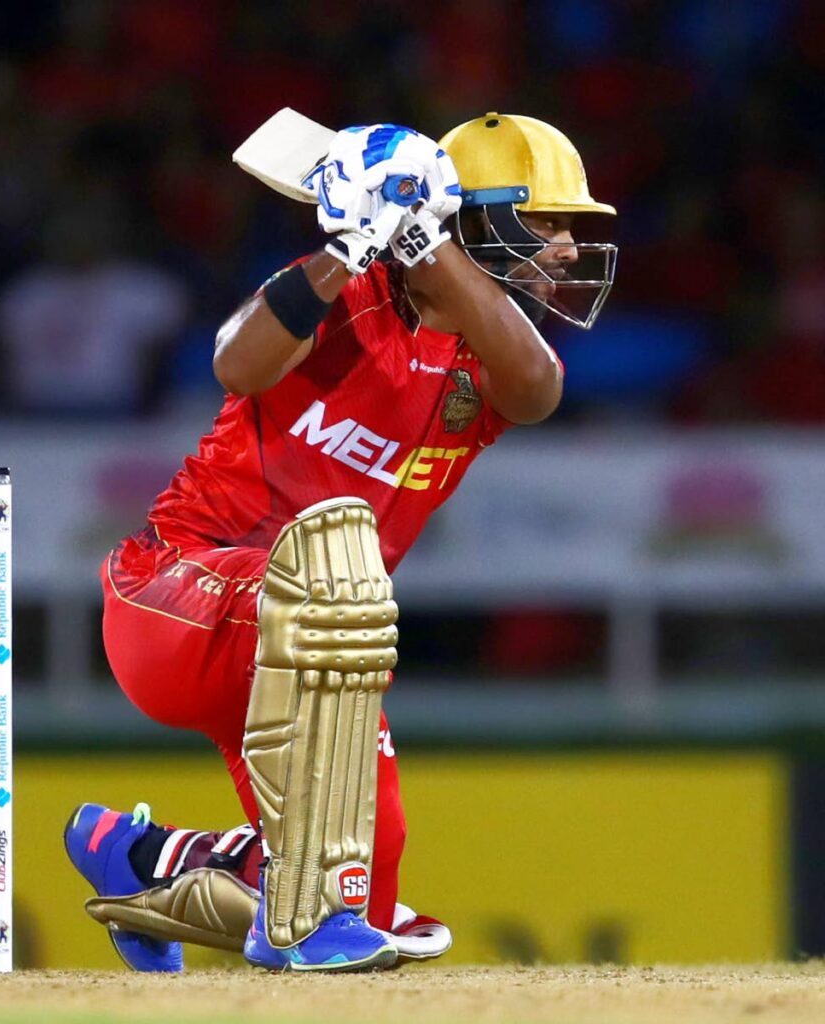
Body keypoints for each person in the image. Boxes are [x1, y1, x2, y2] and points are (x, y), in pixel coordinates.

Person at [63, 113, 617, 973]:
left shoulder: (496, 355)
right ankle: (297, 918)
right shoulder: (343, 293)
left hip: (304, 654)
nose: (570, 249)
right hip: (174, 595)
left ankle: (140, 861)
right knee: (334, 598)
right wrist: (350, 249)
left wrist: (430, 246)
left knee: (365, 888)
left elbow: (539, 391)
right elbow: (235, 367)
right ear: (482, 215)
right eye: (547, 222)